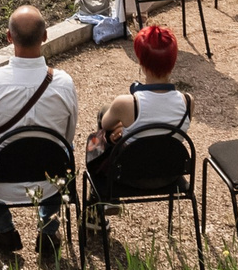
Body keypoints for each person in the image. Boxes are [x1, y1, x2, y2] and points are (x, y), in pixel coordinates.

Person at [0, 6, 78, 268]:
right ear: (45, 36)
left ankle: (3, 228)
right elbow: (67, 139)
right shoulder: (65, 83)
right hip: (50, 181)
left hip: (0, 181)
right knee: (66, 151)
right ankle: (48, 229)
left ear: (8, 37)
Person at [82, 22, 192, 213]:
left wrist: (119, 131)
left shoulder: (126, 103)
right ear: (173, 62)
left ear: (141, 62)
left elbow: (104, 125)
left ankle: (102, 199)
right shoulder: (188, 101)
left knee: (96, 135)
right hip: (169, 173)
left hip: (128, 175)